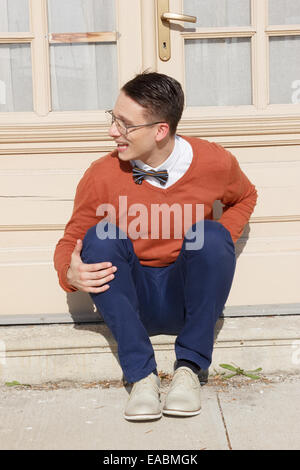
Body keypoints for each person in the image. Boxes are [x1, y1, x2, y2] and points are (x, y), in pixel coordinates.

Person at [54, 72, 258, 421]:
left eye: (125, 124)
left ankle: (189, 370)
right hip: (131, 299)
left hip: (186, 295)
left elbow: (245, 196)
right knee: (101, 236)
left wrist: (220, 241)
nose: (112, 131)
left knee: (210, 234)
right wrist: (69, 271)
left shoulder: (215, 162)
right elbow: (73, 238)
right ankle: (141, 376)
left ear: (160, 130)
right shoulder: (101, 174)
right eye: (112, 118)